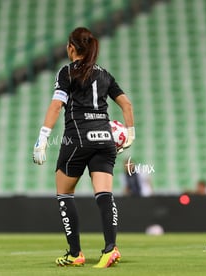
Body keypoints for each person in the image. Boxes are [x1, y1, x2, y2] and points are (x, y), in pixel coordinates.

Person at [33, 27, 135, 268]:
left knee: (64, 193)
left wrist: (43, 138)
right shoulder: (105, 75)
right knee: (104, 195)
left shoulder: (67, 72)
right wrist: (130, 135)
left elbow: (57, 106)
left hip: (77, 139)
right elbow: (127, 104)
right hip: (105, 139)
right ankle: (111, 248)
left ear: (71, 48)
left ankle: (75, 253)